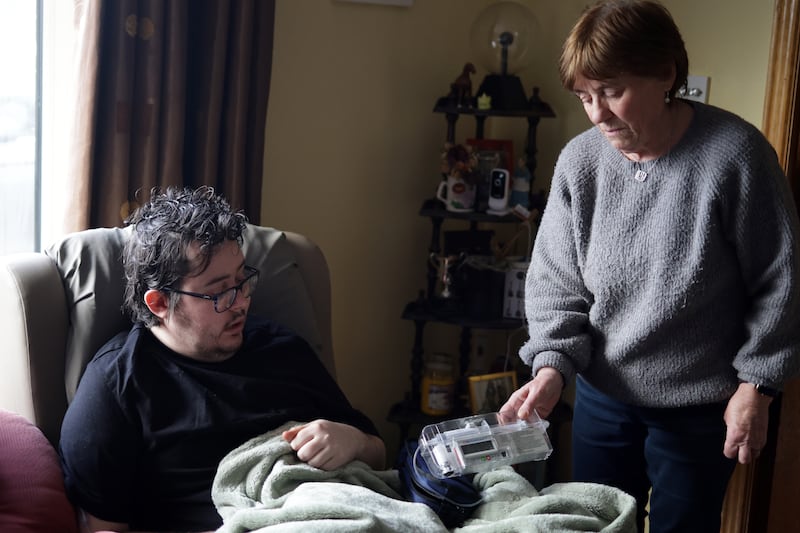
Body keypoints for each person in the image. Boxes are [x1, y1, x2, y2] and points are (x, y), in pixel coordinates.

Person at [500, 1, 800, 532]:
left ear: (666, 74)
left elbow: (781, 282)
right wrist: (551, 368)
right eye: (585, 97)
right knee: (594, 523)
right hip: (602, 396)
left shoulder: (736, 156)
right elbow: (555, 282)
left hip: (700, 407)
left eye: (612, 91)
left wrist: (757, 386)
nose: (597, 113)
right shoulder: (580, 161)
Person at [59, 186, 385, 533]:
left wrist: (353, 441)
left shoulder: (283, 348)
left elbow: (379, 457)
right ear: (159, 303)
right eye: (218, 292)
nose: (241, 301)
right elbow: (102, 528)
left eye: (242, 280)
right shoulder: (115, 388)